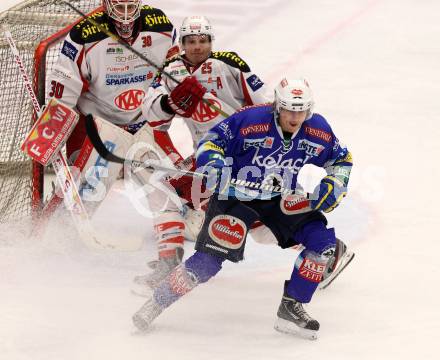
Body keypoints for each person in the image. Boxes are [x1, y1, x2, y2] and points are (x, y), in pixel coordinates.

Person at [132, 78, 353, 340]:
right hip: (235, 196)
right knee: (207, 263)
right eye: (289, 109)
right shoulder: (250, 120)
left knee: (323, 244)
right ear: (276, 106)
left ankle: (291, 307)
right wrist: (213, 164)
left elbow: (341, 159)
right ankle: (157, 302)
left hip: (281, 198)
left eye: (301, 110)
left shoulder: (317, 130)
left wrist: (334, 185)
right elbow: (211, 141)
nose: (295, 117)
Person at [134, 15, 269, 290]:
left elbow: (266, 106)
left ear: (211, 42)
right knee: (255, 221)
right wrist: (169, 102)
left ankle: (168, 263)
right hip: (210, 158)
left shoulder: (230, 63)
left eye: (203, 41)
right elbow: (152, 116)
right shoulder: (172, 72)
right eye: (191, 41)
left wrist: (244, 124)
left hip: (243, 153)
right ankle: (326, 252)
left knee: (255, 220)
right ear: (182, 44)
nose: (198, 47)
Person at [43, 0, 178, 215]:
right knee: (84, 191)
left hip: (143, 122)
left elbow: (174, 69)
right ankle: (50, 223)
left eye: (130, 7)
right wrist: (52, 129)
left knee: (174, 186)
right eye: (119, 8)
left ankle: (183, 219)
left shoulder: (161, 25)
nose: (125, 16)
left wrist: (181, 90)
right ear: (106, 5)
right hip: (96, 125)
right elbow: (65, 85)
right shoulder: (85, 34)